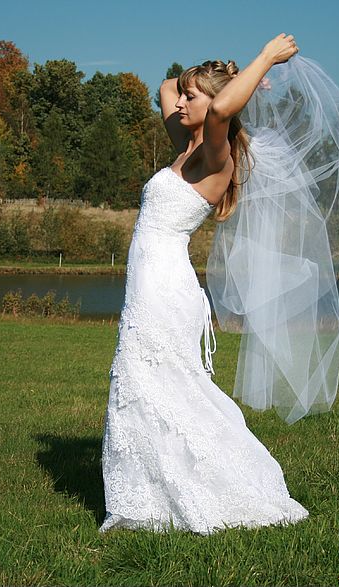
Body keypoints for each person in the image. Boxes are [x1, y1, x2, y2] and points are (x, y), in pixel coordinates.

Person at [99, 34, 315, 536]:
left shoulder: (214, 158)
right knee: (143, 384)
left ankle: (219, 487)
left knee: (165, 384)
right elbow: (163, 86)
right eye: (186, 97)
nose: (179, 103)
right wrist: (200, 76)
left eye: (190, 99)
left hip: (164, 285)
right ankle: (147, 497)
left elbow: (219, 112)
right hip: (148, 281)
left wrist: (263, 60)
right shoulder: (186, 148)